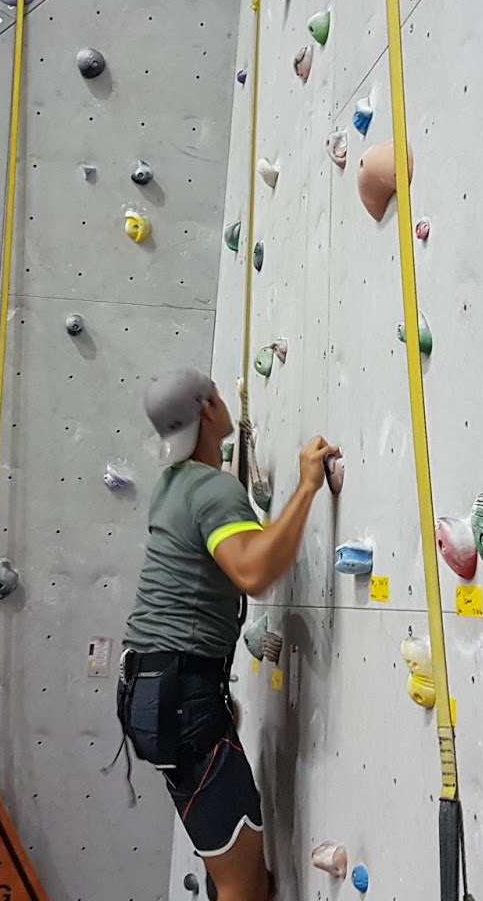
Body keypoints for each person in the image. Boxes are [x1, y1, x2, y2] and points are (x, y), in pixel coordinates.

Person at [115, 367, 338, 901]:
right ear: (211, 410)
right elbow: (254, 572)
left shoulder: (173, 486)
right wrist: (307, 486)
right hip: (181, 698)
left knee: (231, 869)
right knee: (247, 887)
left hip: (153, 691)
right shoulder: (211, 489)